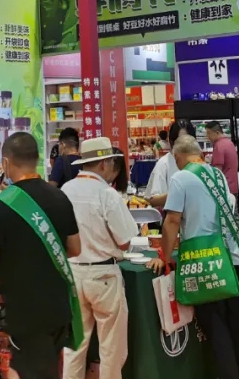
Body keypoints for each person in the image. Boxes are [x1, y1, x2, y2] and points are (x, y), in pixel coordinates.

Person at [0, 132, 81, 379]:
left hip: (26, 309)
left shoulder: (4, 203)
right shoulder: (59, 196)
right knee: (46, 368)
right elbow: (75, 248)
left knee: (24, 370)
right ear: (37, 159)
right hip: (58, 305)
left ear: (6, 162)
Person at [162, 135, 239, 379]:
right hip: (231, 258)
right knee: (236, 326)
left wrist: (165, 255)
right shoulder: (217, 175)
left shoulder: (181, 178)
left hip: (205, 262)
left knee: (215, 327)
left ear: (177, 157)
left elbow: (172, 220)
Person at [60, 138, 138, 379]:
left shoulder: (65, 190)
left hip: (73, 273)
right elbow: (125, 241)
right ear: (104, 163)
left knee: (74, 347)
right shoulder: (107, 194)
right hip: (103, 275)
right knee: (111, 349)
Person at [145, 119, 194, 207]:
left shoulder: (197, 162)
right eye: (181, 141)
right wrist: (178, 194)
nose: (185, 145)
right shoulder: (164, 164)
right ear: (171, 141)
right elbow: (153, 199)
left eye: (189, 141)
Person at [205, 121, 239, 196]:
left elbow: (218, 172)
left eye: (209, 133)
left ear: (217, 133)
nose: (207, 136)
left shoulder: (218, 145)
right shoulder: (229, 142)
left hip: (224, 189)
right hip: (233, 187)